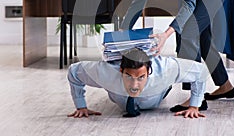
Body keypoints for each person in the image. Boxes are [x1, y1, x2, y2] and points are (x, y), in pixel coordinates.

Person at [67, 48, 208, 119]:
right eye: (128, 76)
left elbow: (201, 71)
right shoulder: (105, 72)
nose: (134, 85)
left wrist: (194, 105)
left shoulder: (165, 70)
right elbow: (73, 72)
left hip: (159, 91)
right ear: (121, 70)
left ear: (149, 72)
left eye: (141, 77)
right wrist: (81, 106)